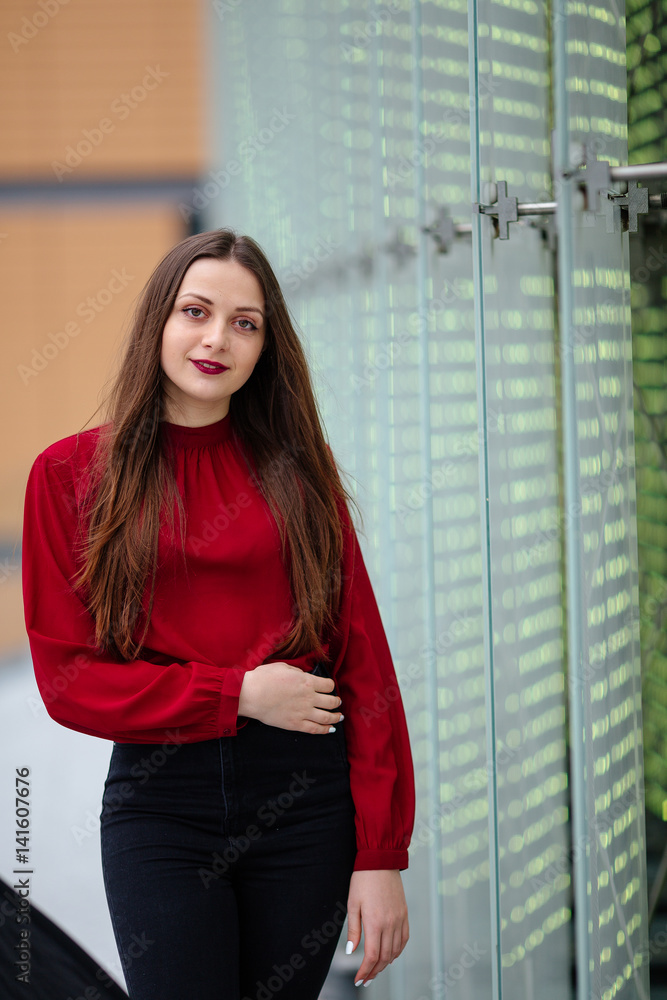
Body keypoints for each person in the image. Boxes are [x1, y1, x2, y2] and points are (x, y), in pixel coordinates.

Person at [21, 228, 415, 1000]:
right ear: (157, 324)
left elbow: (365, 668)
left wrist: (380, 855)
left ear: (266, 347)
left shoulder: (298, 479)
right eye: (195, 311)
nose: (216, 339)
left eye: (245, 323)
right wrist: (236, 694)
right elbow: (70, 681)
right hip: (161, 803)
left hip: (304, 801)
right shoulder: (68, 476)